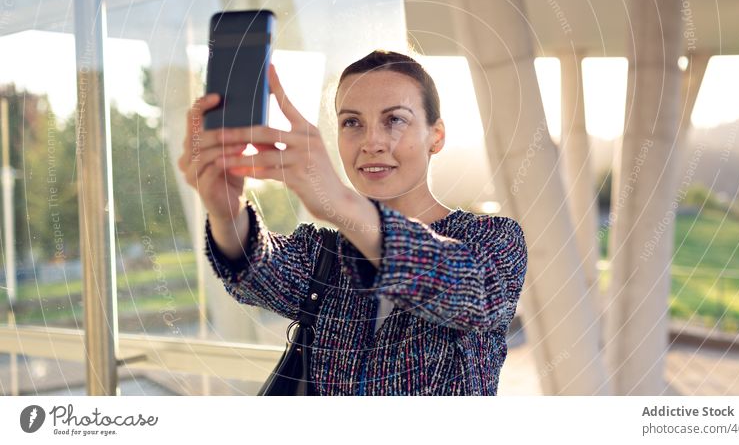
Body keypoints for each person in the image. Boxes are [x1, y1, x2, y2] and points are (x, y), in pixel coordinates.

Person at [178, 49, 528, 395]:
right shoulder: (325, 255)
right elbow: (256, 267)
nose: (372, 142)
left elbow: (476, 295)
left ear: (435, 136)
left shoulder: (492, 241)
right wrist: (225, 211)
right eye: (352, 123)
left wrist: (339, 201)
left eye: (395, 120)